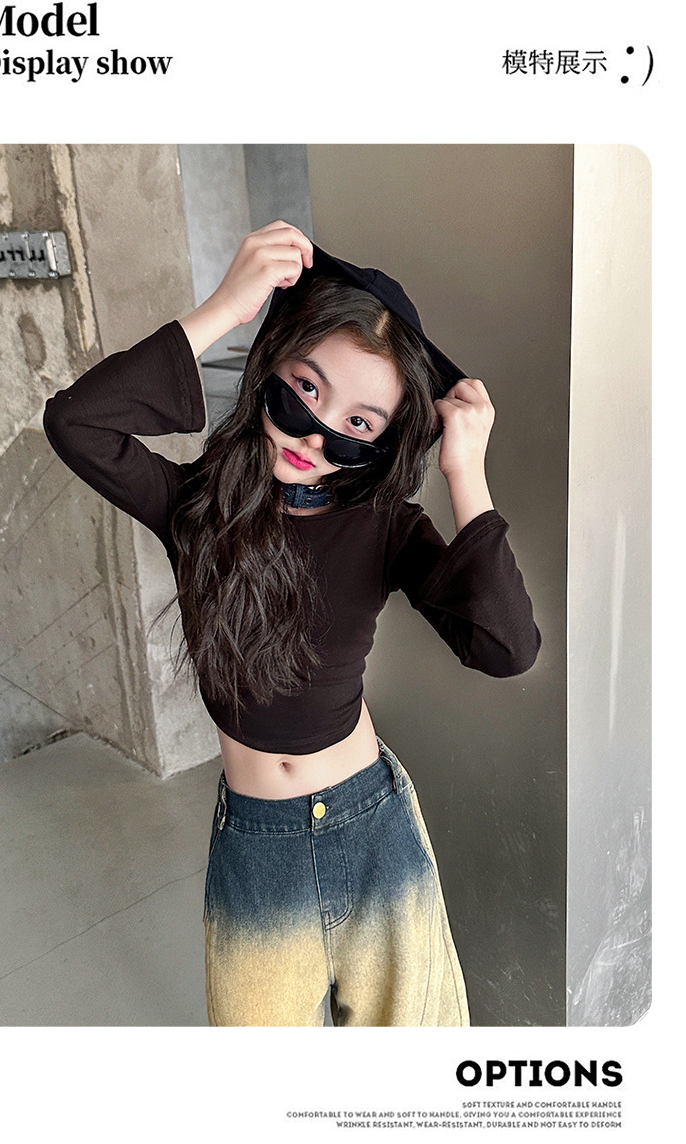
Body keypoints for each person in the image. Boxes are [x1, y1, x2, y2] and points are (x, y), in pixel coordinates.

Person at [43, 220, 540, 1027]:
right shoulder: (195, 509)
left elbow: (508, 647)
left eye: (359, 423)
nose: (316, 432)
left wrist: (465, 473)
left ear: (384, 442)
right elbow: (76, 423)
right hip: (257, 846)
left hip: (374, 829)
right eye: (306, 388)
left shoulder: (388, 526)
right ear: (271, 360)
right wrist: (223, 308)